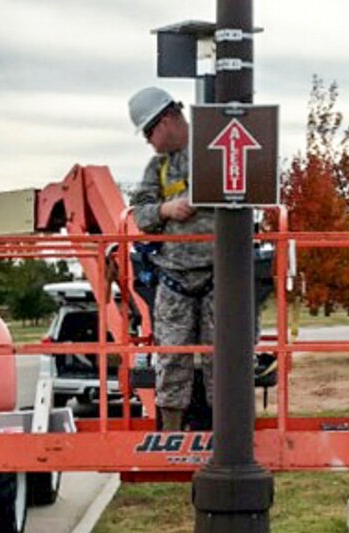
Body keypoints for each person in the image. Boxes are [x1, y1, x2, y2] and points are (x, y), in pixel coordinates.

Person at [127, 87, 215, 431]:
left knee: (222, 363)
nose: (149, 142)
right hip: (175, 280)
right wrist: (166, 209)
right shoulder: (158, 168)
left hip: (219, 279)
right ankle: (171, 435)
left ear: (165, 120)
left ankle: (227, 435)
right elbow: (141, 215)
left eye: (149, 132)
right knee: (171, 359)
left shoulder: (217, 151)